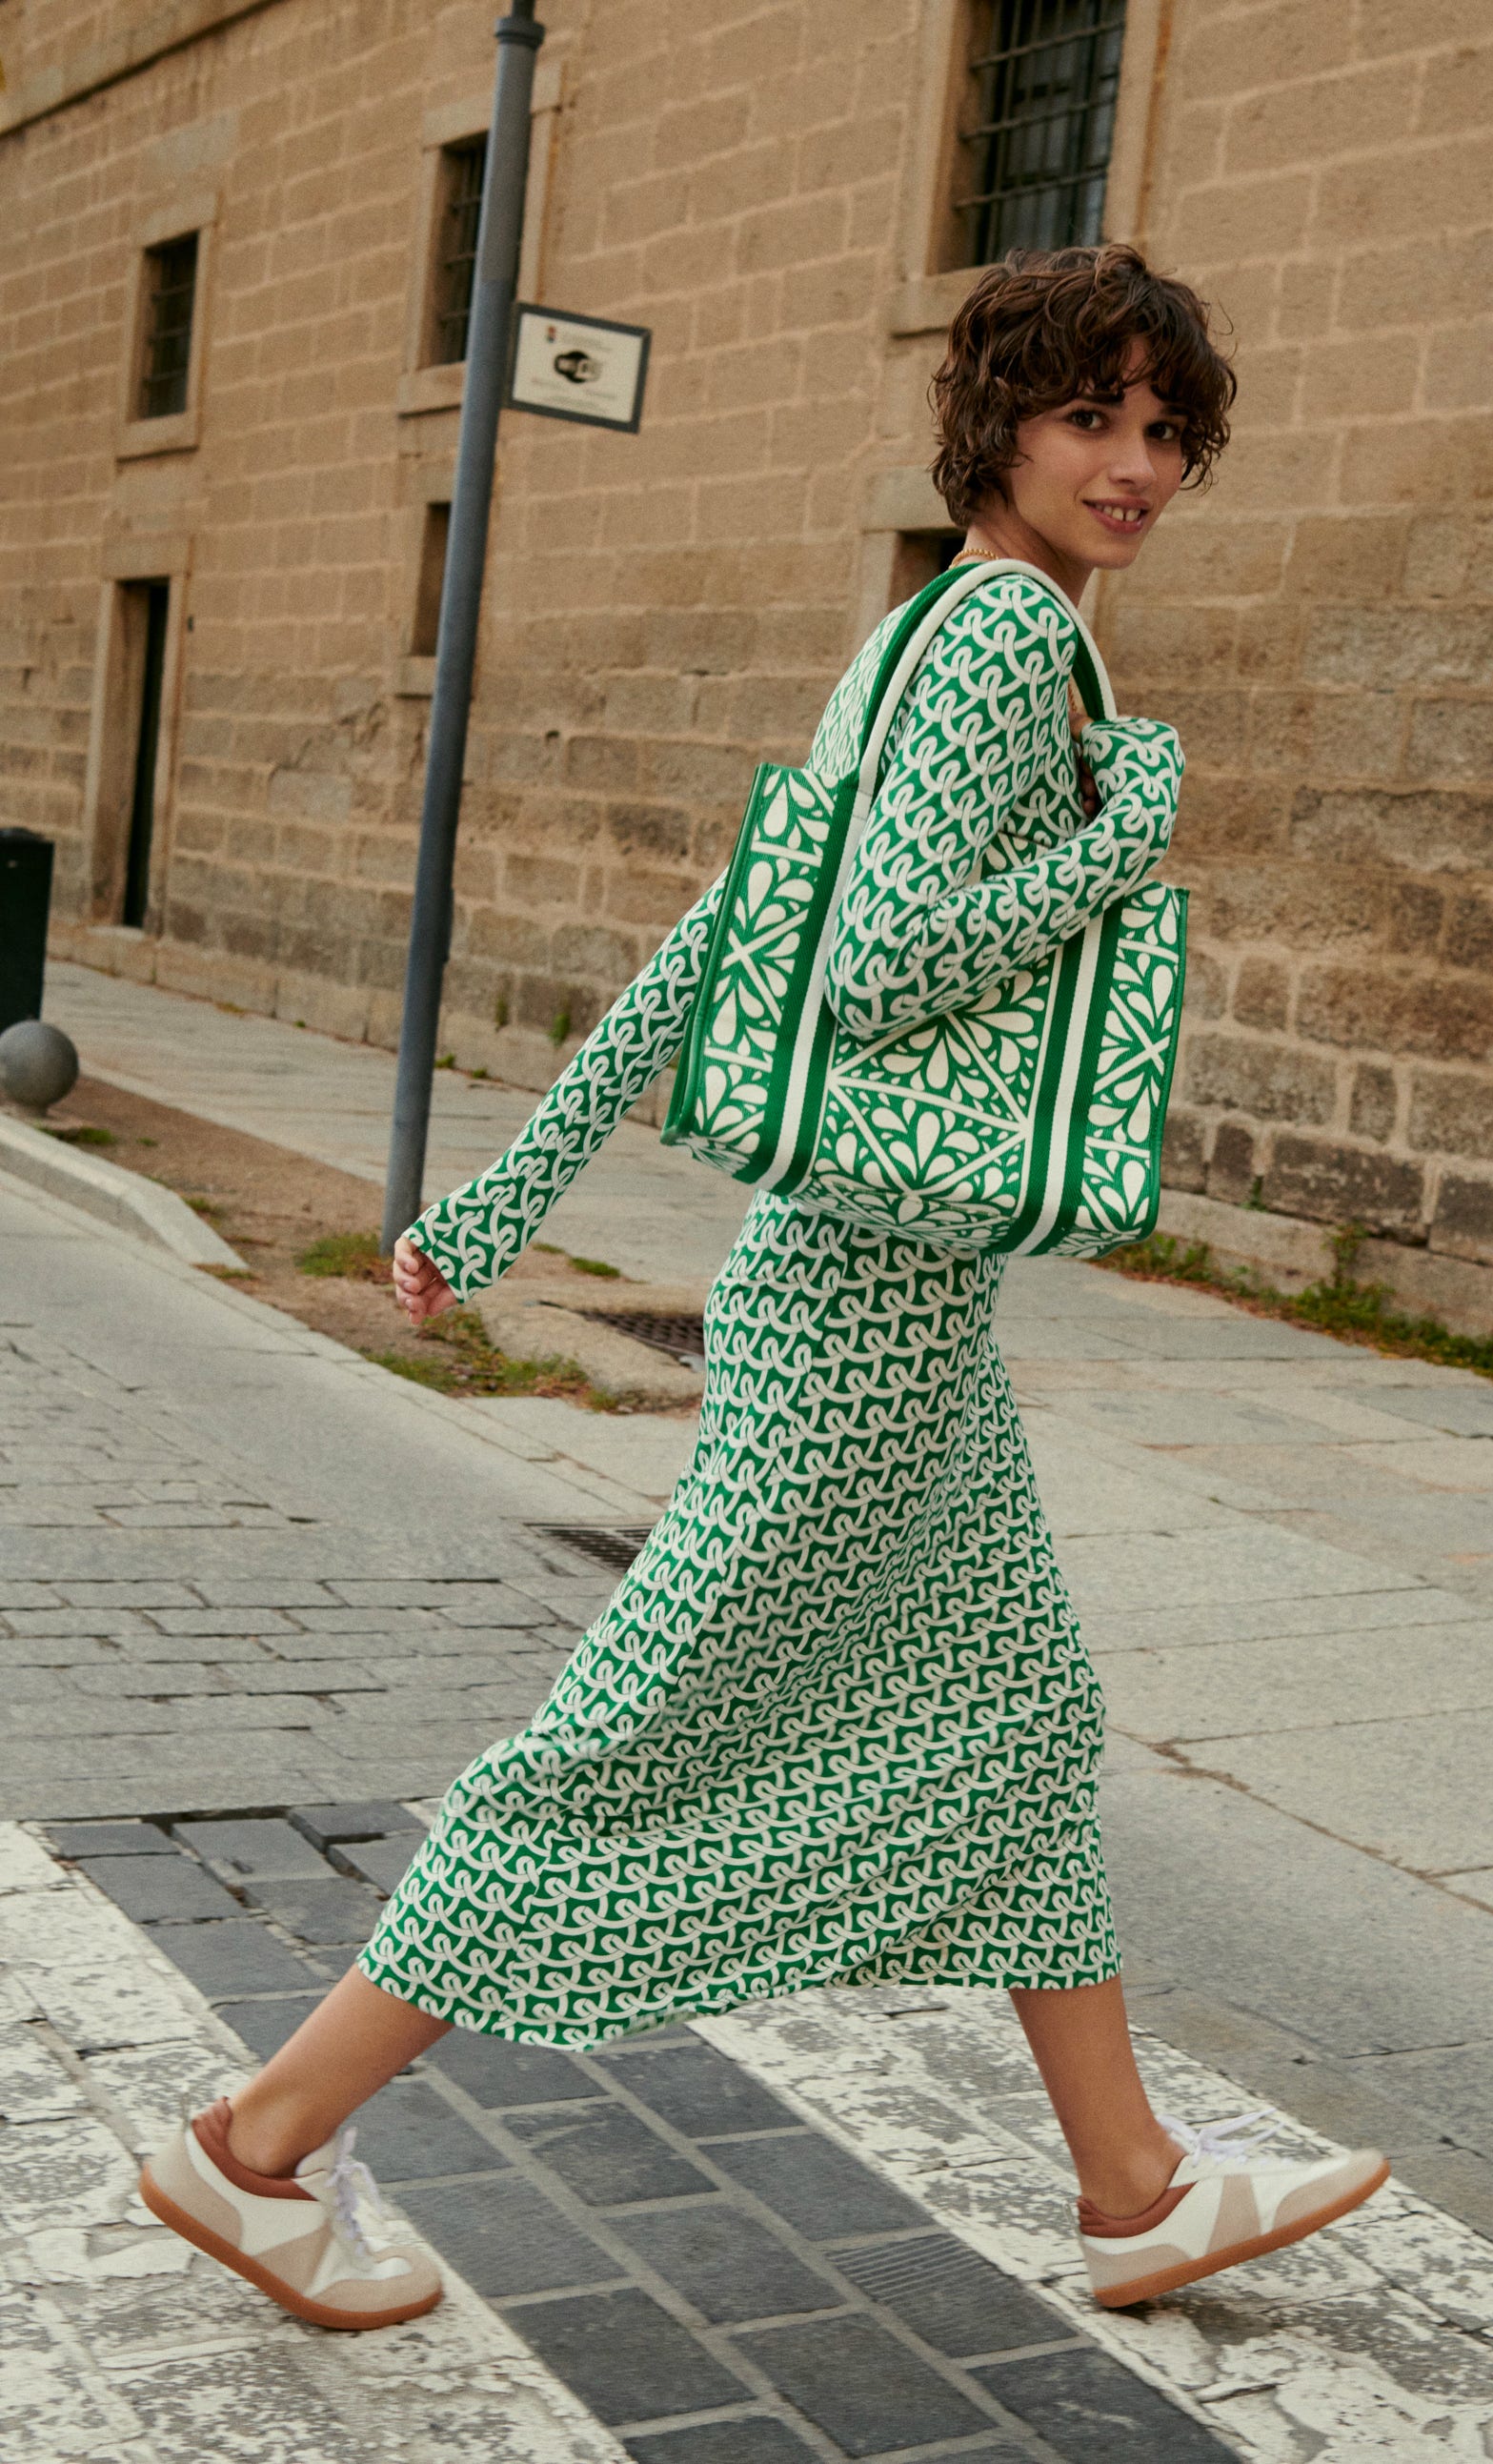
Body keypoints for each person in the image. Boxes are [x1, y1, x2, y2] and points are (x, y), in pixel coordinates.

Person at [139, 243, 1389, 2329]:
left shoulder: (915, 636)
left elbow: (724, 936)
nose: (1137, 463)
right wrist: (1128, 836)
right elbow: (881, 969)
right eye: (1093, 415)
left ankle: (1133, 2187)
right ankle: (255, 2144)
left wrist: (503, 1196)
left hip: (888, 1303)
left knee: (1018, 1717)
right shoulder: (1008, 642)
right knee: (618, 1751)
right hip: (859, 1318)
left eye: (1167, 430)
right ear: (997, 424)